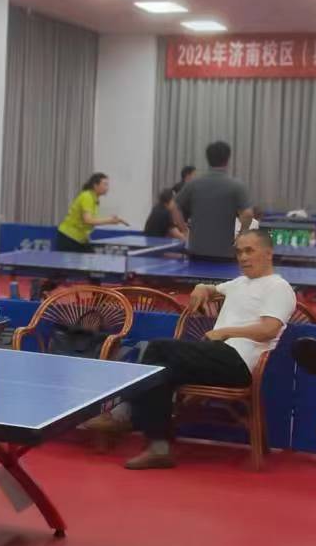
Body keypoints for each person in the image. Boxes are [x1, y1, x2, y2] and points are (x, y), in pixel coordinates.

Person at [88, 230, 296, 470]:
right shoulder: (240, 283)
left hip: (239, 363)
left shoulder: (279, 287)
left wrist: (226, 332)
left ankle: (127, 418)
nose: (243, 257)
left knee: (158, 348)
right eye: (239, 252)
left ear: (268, 253)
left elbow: (269, 329)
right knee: (160, 370)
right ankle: (158, 447)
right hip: (217, 354)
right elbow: (212, 289)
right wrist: (201, 286)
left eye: (249, 251)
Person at [170, 140, 253, 258]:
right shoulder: (237, 186)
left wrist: (184, 229)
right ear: (228, 159)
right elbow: (248, 214)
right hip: (225, 253)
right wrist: (241, 236)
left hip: (197, 250)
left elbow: (174, 207)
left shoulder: (193, 184)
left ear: (207, 159)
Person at [55, 173, 126, 252]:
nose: (107, 188)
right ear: (95, 185)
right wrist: (109, 220)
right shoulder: (87, 196)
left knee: (91, 256)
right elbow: (88, 220)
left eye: (107, 185)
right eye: (105, 184)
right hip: (68, 238)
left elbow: (89, 221)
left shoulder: (94, 199)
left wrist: (110, 219)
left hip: (80, 239)